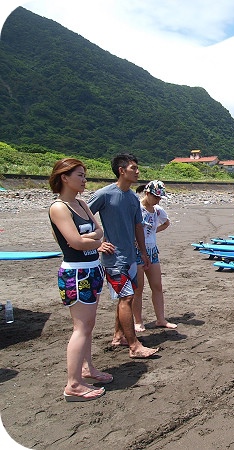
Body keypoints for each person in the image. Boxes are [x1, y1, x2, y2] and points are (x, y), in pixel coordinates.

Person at [48, 158, 115, 402]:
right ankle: (73, 384)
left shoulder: (81, 204)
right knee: (81, 327)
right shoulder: (59, 207)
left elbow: (98, 231)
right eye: (80, 175)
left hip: (92, 269)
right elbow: (75, 242)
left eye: (85, 175)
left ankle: (87, 369)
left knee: (89, 325)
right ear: (64, 177)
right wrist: (96, 242)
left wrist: (90, 238)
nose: (84, 180)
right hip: (76, 273)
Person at [88, 153, 159, 359]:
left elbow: (138, 227)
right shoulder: (105, 194)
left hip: (131, 257)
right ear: (121, 170)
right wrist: (97, 243)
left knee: (126, 297)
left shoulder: (132, 198)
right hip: (113, 259)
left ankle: (119, 335)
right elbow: (81, 215)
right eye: (133, 168)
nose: (137, 172)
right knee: (126, 297)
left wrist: (143, 253)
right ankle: (134, 345)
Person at [132, 180, 177, 332]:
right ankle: (138, 321)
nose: (158, 200)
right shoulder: (136, 208)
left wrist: (152, 232)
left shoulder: (157, 210)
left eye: (159, 198)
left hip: (152, 251)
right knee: (138, 288)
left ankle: (161, 319)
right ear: (147, 193)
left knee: (157, 286)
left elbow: (166, 223)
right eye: (156, 197)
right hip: (137, 251)